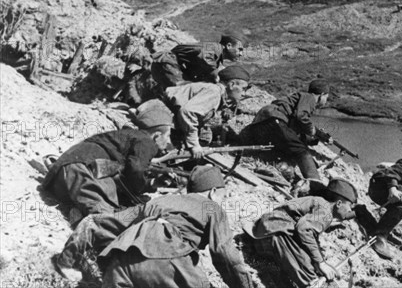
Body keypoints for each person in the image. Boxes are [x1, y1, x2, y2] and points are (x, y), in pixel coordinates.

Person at [53, 165, 255, 288]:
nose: (223, 200)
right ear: (213, 192)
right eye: (223, 195)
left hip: (120, 265)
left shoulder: (160, 201)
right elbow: (226, 256)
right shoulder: (212, 207)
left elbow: (97, 223)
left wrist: (66, 261)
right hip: (166, 263)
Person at [42, 107, 173, 224]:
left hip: (60, 177)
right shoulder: (146, 141)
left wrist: (152, 183)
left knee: (108, 210)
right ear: (157, 135)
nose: (168, 142)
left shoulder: (125, 137)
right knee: (107, 221)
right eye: (168, 136)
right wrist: (146, 185)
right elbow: (136, 171)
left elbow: (126, 175)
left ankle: (77, 214)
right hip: (83, 170)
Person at [243, 179, 358, 288]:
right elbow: (304, 229)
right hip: (273, 233)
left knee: (311, 260)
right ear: (338, 203)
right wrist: (321, 263)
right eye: (349, 206)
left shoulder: (322, 205)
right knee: (309, 271)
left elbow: (307, 233)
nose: (350, 211)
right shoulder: (326, 212)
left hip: (270, 229)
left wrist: (318, 261)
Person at [242, 79, 331, 182]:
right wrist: (318, 133)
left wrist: (315, 139)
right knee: (300, 151)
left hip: (259, 126)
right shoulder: (309, 97)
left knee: (288, 149)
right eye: (326, 98)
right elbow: (301, 117)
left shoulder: (292, 103)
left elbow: (291, 134)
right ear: (322, 94)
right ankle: (315, 182)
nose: (325, 102)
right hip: (273, 119)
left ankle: (282, 170)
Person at [161, 65, 250, 158]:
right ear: (232, 85)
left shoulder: (216, 91)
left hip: (167, 117)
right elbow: (188, 112)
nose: (244, 93)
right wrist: (194, 145)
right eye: (243, 89)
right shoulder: (214, 92)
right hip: (160, 117)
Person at [151, 31, 247, 86]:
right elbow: (205, 59)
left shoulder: (216, 57)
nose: (241, 54)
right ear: (229, 46)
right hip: (169, 62)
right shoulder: (214, 48)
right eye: (239, 49)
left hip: (175, 65)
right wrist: (216, 75)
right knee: (182, 89)